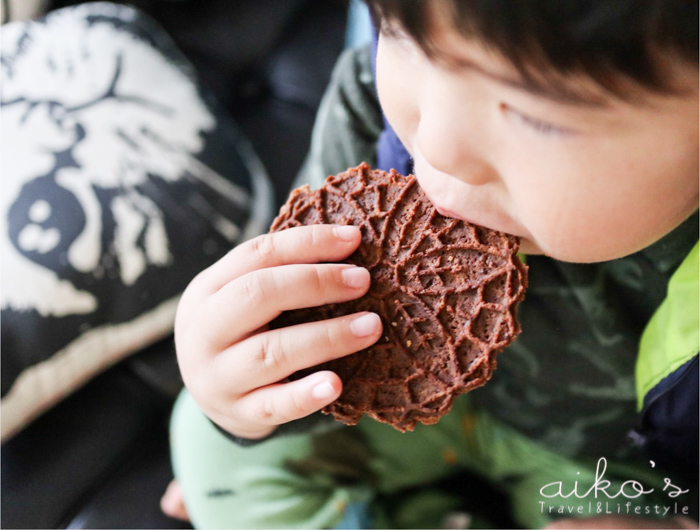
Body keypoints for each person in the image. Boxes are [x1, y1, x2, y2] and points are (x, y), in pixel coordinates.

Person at [163, 0, 699, 528]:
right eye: (403, 35)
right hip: (412, 418)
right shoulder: (373, 112)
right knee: (204, 435)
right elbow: (303, 325)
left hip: (606, 471)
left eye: (536, 116)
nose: (437, 145)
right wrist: (247, 390)